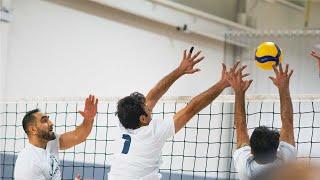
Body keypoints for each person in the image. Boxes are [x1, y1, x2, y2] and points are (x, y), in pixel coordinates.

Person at [108, 47, 246, 179]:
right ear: (143, 119)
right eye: (146, 108)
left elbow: (152, 96)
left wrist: (180, 70)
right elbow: (192, 108)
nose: (149, 107)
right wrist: (222, 84)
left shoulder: (124, 122)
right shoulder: (154, 132)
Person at [229, 63, 297, 180]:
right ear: (276, 151)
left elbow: (240, 126)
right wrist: (283, 88)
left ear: (251, 151)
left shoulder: (245, 169)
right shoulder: (285, 166)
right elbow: (288, 122)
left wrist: (239, 92)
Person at [14, 95, 98, 180]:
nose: (51, 123)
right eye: (44, 121)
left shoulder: (50, 142)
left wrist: (88, 119)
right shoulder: (28, 163)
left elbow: (77, 136)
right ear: (33, 129)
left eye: (48, 119)